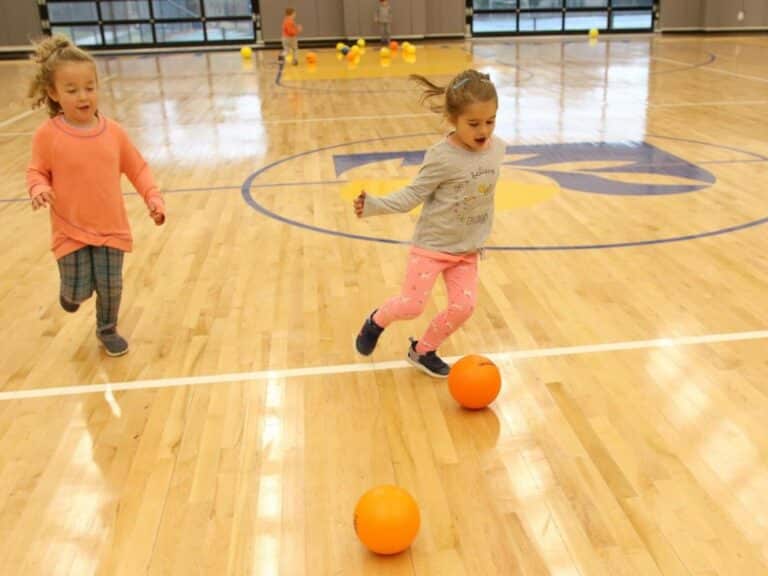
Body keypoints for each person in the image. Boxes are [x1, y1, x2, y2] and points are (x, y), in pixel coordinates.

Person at [353, 69, 505, 377]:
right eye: (473, 123)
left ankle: (423, 350)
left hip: (466, 251)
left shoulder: (498, 149)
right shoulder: (441, 156)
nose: (483, 130)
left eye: (490, 121)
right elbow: (412, 195)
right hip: (432, 247)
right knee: (412, 306)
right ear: (452, 119)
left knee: (464, 307)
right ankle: (376, 321)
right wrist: (374, 205)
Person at [26, 35, 165, 357]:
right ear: (53, 93)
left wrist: (153, 198)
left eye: (90, 87)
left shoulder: (113, 132)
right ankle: (70, 295)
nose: (83, 96)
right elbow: (36, 171)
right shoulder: (48, 134)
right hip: (69, 227)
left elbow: (138, 168)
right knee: (78, 291)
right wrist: (39, 188)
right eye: (72, 90)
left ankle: (107, 329)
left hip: (110, 226)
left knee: (111, 286)